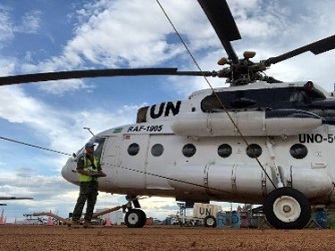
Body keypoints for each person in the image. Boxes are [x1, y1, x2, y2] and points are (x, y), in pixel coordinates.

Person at [71, 142, 106, 228]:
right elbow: (79, 169)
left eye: (93, 147)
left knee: (92, 202)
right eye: (90, 147)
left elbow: (99, 169)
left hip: (94, 182)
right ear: (86, 149)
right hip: (85, 182)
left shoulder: (96, 158)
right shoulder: (82, 157)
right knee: (81, 201)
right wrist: (88, 173)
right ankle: (75, 220)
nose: (92, 149)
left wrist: (101, 174)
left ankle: (87, 221)